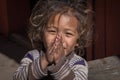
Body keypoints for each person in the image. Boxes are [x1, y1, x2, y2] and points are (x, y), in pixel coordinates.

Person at [13, 0, 92, 80]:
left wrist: (60, 63)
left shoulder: (78, 63)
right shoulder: (32, 56)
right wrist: (44, 60)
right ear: (41, 34)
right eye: (52, 31)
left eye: (68, 34)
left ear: (77, 41)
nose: (59, 40)